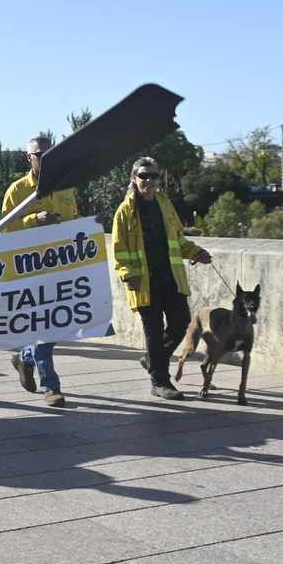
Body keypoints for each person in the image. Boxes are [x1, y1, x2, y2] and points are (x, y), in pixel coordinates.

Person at [113, 156, 212, 399]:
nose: (149, 180)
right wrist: (128, 276)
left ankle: (151, 360)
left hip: (171, 277)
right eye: (144, 176)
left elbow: (177, 239)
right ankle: (160, 381)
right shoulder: (125, 211)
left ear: (159, 179)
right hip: (144, 281)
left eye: (153, 176)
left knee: (181, 325)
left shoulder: (164, 203)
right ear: (134, 179)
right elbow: (119, 249)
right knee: (153, 331)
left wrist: (196, 252)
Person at [5, 134, 83, 407]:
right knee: (44, 328)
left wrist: (91, 223)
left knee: (53, 326)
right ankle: (52, 386)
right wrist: (32, 219)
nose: (48, 161)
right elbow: (4, 230)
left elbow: (73, 225)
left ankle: (25, 357)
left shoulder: (66, 188)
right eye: (41, 156)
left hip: (60, 269)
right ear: (30, 158)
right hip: (30, 271)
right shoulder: (17, 190)